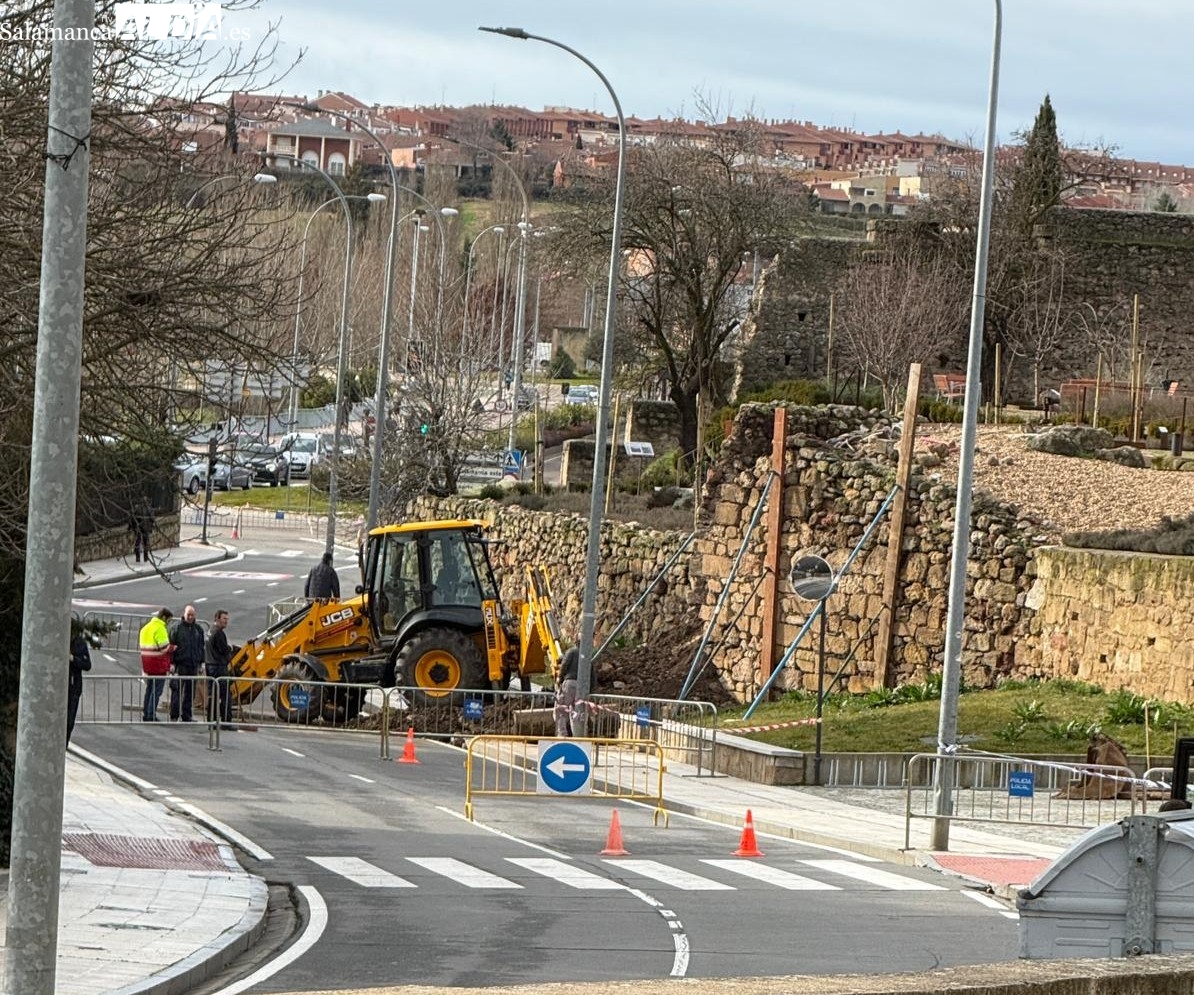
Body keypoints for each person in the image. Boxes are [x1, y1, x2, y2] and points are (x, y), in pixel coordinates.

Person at [168, 604, 205, 722]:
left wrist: (202, 663)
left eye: (192, 615)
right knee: (177, 690)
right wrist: (171, 663)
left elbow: (201, 647)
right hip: (180, 664)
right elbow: (171, 646)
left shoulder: (198, 629)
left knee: (190, 692)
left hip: (193, 664)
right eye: (188, 614)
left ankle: (187, 715)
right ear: (184, 614)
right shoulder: (176, 628)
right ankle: (174, 715)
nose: (190, 617)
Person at [138, 608, 173, 721]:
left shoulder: (145, 628)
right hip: (158, 664)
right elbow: (164, 647)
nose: (169, 622)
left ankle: (146, 712)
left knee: (149, 689)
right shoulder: (160, 628)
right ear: (164, 617)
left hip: (147, 663)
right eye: (169, 620)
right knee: (156, 691)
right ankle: (150, 714)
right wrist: (174, 648)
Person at [205, 609, 234, 727]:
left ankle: (211, 720)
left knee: (213, 695)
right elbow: (223, 649)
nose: (226, 621)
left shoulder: (210, 631)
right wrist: (230, 649)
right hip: (219, 667)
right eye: (224, 619)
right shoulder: (219, 633)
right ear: (217, 618)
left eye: (227, 619)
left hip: (210, 665)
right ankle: (226, 721)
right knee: (225, 695)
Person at [67, 618, 92, 745]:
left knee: (69, 721)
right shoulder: (58, 639)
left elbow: (87, 665)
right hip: (62, 686)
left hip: (74, 686)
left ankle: (64, 744)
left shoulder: (79, 643)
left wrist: (73, 659)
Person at [554, 646, 579, 738]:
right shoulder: (587, 654)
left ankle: (562, 734)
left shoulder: (571, 652)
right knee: (578, 712)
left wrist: (559, 679)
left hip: (570, 683)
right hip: (583, 685)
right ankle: (578, 735)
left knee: (562, 710)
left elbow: (564, 665)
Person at [129, 496, 155, 563]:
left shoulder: (137, 509)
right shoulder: (150, 509)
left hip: (139, 528)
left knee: (138, 541)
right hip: (146, 528)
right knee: (145, 542)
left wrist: (131, 527)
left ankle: (138, 557)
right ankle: (145, 557)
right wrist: (151, 526)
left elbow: (133, 518)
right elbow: (152, 519)